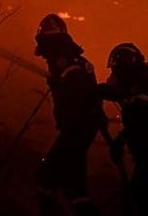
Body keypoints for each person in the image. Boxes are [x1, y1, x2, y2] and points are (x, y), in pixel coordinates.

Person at [34, 14, 106, 216]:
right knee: (74, 183)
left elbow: (78, 93)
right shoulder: (69, 58)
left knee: (46, 179)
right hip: (80, 126)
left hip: (77, 127)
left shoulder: (62, 59)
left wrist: (60, 84)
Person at [99, 43, 148, 216]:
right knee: (142, 200)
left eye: (115, 71)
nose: (112, 76)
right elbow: (110, 92)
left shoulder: (139, 96)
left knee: (141, 201)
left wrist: (120, 141)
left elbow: (139, 125)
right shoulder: (134, 90)